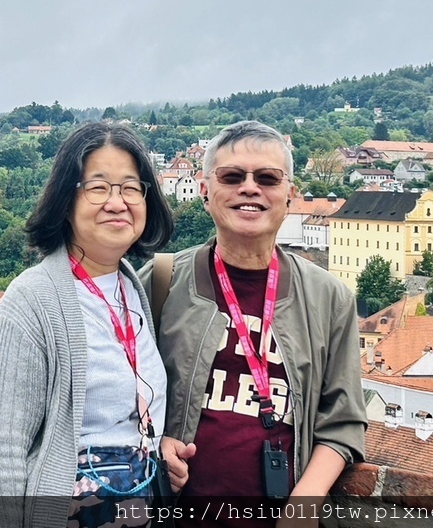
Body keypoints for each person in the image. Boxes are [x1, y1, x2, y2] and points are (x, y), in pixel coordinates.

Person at [143, 121, 366, 527]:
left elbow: (344, 422)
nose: (250, 188)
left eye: (267, 178)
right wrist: (155, 444)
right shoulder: (161, 282)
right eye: (232, 176)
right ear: (206, 190)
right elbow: (117, 401)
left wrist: (305, 502)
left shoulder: (329, 298)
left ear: (289, 194)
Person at [0, 122, 175, 528]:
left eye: (131, 188)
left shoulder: (133, 288)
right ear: (66, 200)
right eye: (98, 187)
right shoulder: (29, 305)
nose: (117, 202)